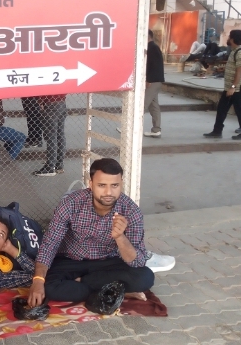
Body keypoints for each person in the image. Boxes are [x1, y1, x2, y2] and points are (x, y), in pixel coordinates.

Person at [27, 158, 155, 306]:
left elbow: (138, 261)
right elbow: (50, 244)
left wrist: (120, 237)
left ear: (121, 184)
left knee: (145, 278)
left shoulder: (131, 211)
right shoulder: (71, 203)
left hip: (107, 263)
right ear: (91, 184)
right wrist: (38, 280)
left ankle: (86, 284)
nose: (108, 192)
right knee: (50, 288)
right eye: (102, 185)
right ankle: (115, 290)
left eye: (114, 185)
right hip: (71, 261)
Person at [203, 30, 241, 141]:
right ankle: (217, 130)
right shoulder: (234, 51)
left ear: (233, 39)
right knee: (222, 109)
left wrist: (233, 87)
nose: (228, 39)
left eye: (229, 37)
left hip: (237, 89)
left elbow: (239, 71)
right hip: (230, 88)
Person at [32, 94, 67, 176]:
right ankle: (59, 164)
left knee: (51, 137)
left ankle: (50, 167)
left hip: (50, 103)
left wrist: (40, 102)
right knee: (60, 134)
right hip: (62, 102)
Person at [145, 29, 164, 138]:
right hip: (155, 80)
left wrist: (148, 80)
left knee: (141, 104)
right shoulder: (151, 47)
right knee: (153, 106)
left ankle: (129, 128)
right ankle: (156, 130)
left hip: (152, 81)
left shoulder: (152, 48)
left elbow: (154, 65)